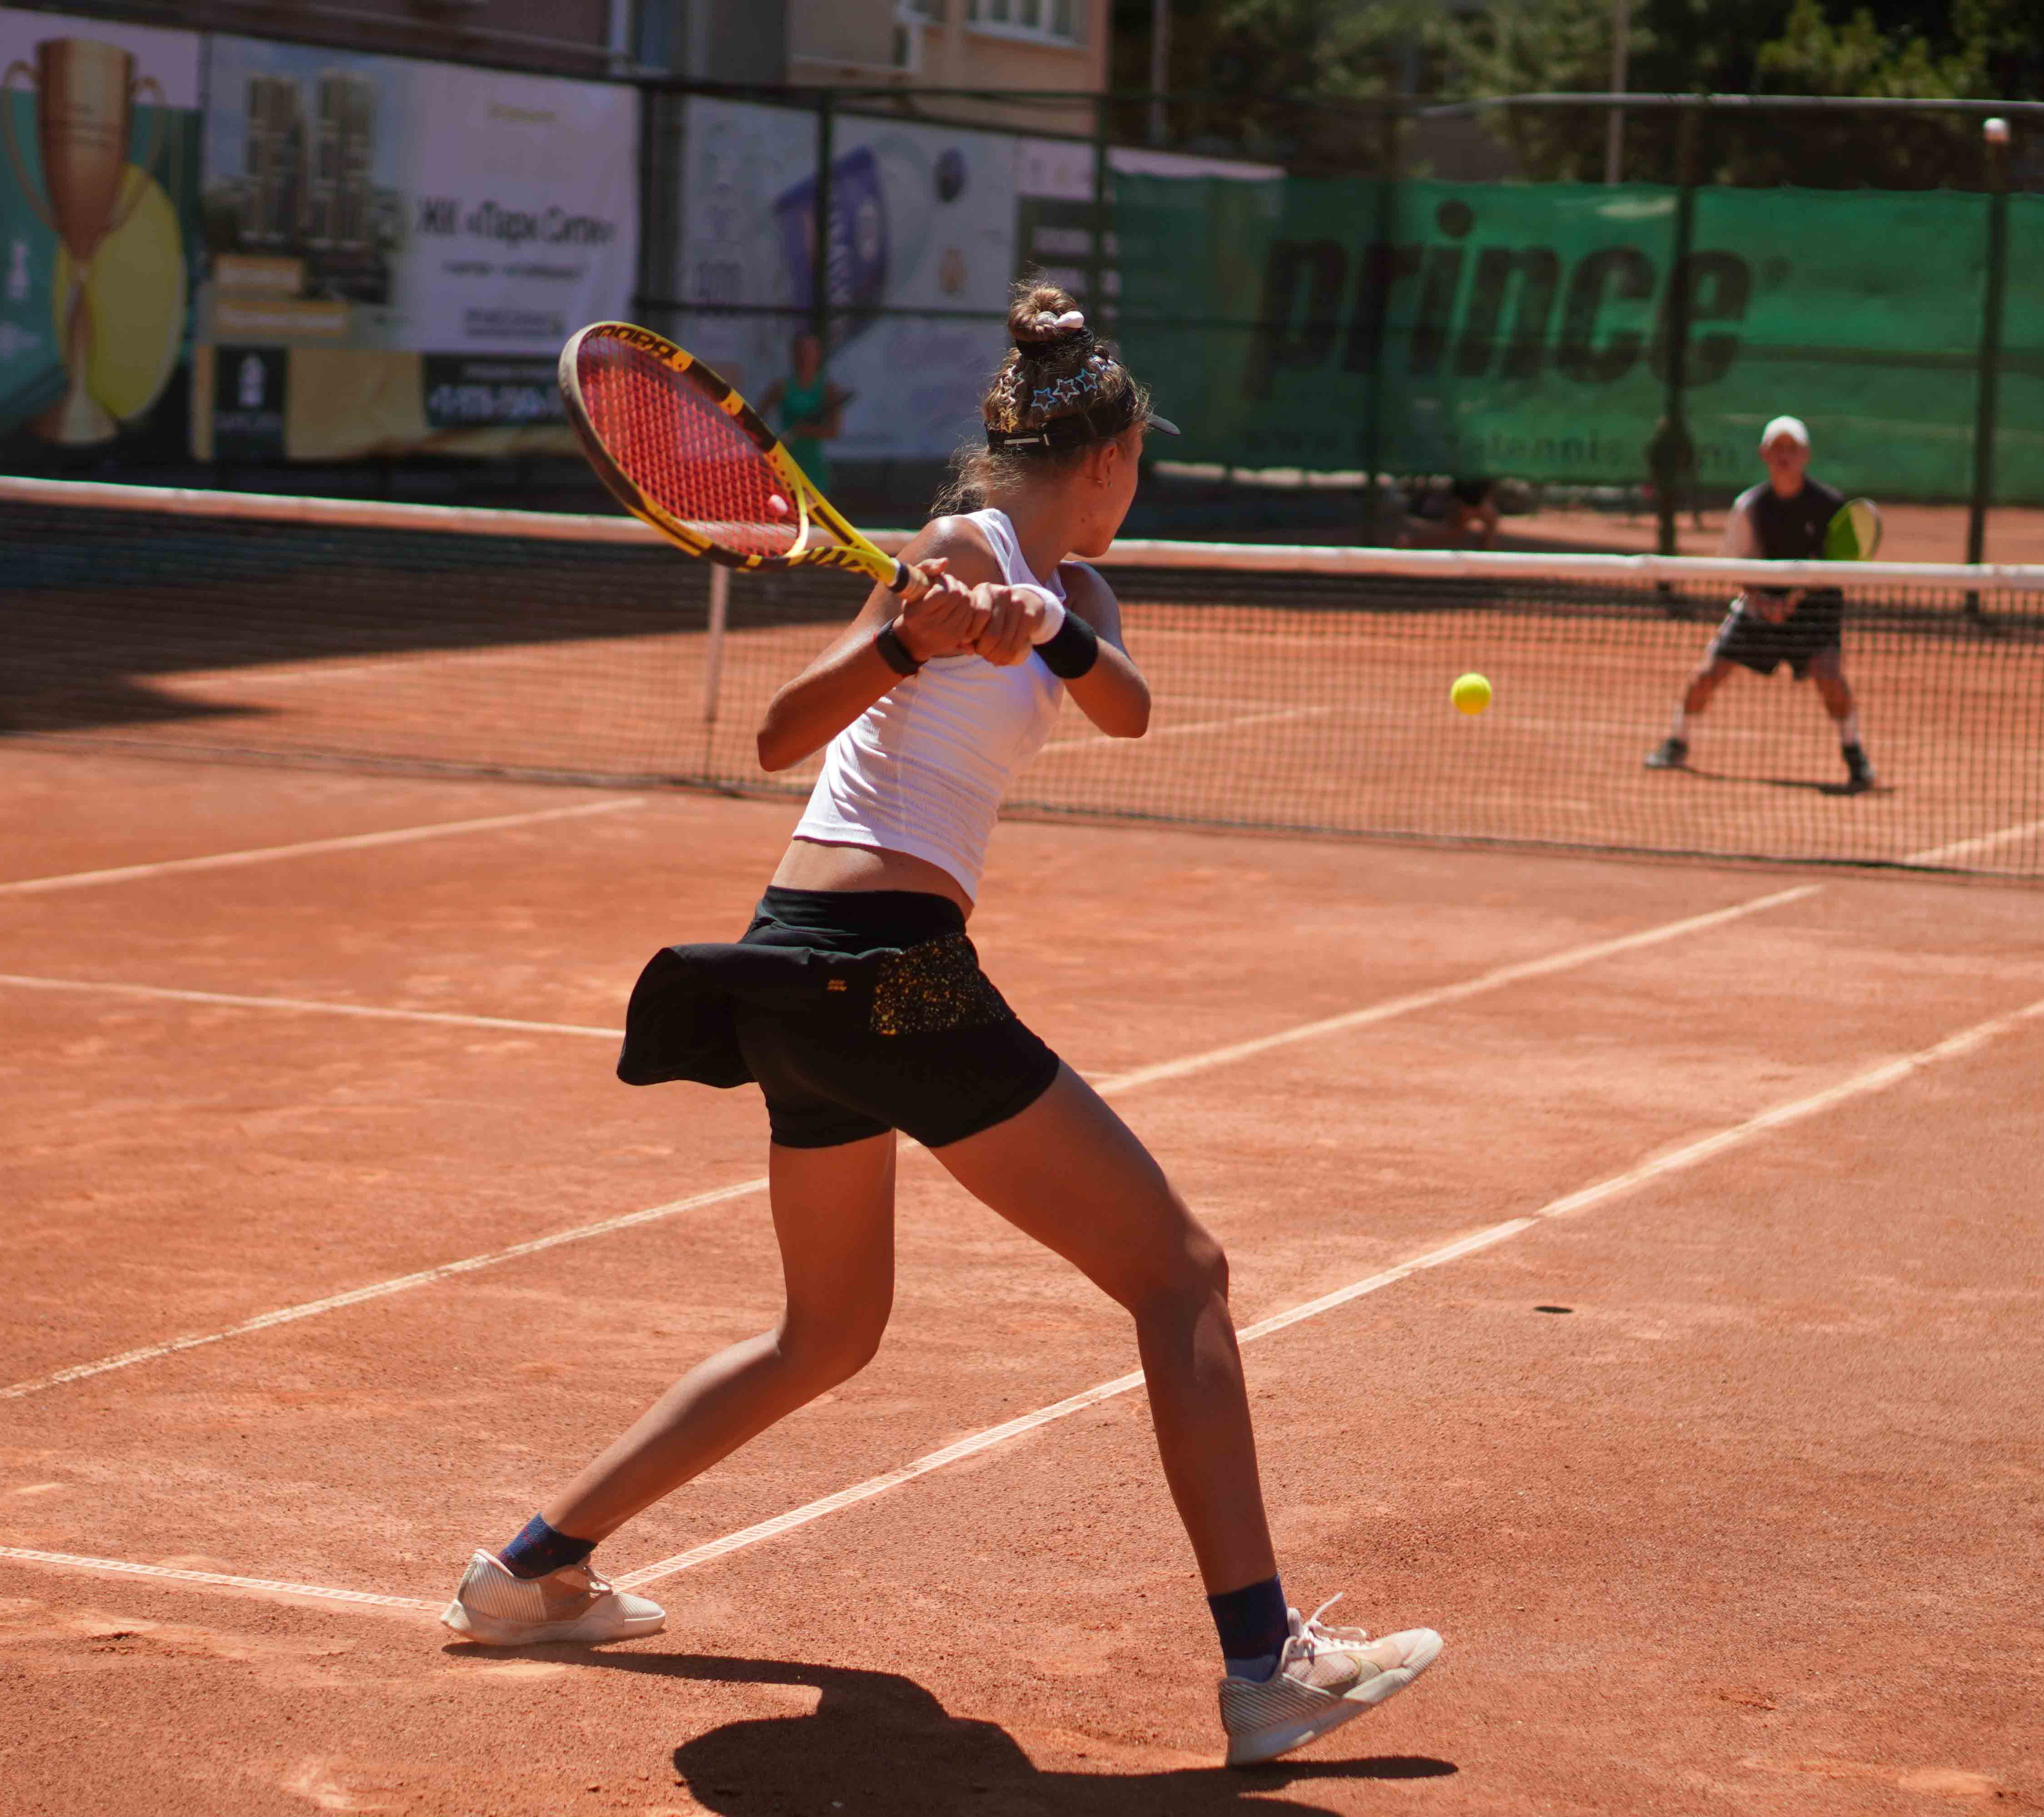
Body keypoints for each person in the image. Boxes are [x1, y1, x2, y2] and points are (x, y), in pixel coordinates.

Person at [442, 282, 1443, 1768]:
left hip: (804, 986)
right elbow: (778, 735)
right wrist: (908, 642)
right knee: (1179, 1278)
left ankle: (527, 1574)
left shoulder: (1076, 592)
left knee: (828, 1333)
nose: (1136, 496)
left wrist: (1047, 630)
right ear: (1107, 460)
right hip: (874, 969)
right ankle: (1265, 1666)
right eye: (1139, 470)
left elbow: (1128, 710)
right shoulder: (946, 552)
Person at [1645, 415, 1876, 792]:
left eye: (1792, 449)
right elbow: (1736, 564)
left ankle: (1855, 754)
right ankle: (1677, 742)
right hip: (1759, 605)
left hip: (1815, 611)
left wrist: (1797, 599)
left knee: (1829, 675)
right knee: (1709, 673)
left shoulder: (1831, 505)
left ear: (1805, 455)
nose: (1785, 456)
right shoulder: (1750, 506)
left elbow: (1838, 569)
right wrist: (1764, 601)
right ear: (1764, 454)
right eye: (1777, 448)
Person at [759, 330, 848, 497]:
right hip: (784, 466)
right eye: (801, 351)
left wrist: (802, 431)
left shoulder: (828, 390)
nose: (805, 356)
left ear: (818, 354)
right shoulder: (781, 387)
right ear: (793, 354)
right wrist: (774, 440)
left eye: (810, 351)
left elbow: (834, 431)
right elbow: (756, 420)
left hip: (813, 470)